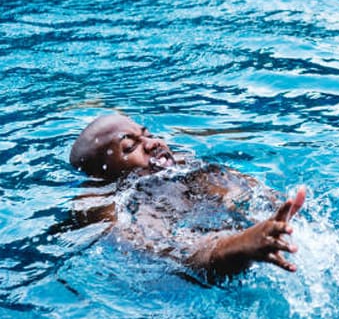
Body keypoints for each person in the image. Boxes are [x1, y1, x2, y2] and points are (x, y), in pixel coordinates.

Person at [66, 113, 305, 280]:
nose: (152, 143)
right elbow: (164, 254)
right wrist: (240, 245)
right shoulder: (100, 201)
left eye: (147, 134)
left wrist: (268, 206)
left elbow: (248, 193)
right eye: (130, 148)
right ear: (101, 175)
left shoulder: (185, 167)